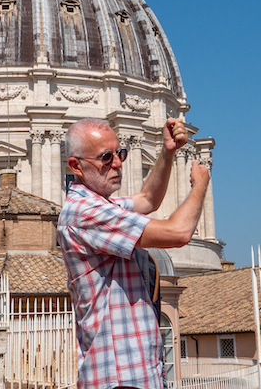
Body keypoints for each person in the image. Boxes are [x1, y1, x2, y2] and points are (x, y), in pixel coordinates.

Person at [57, 117, 210, 389]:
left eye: (120, 153)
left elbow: (148, 199)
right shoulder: (86, 213)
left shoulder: (100, 206)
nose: (117, 163)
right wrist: (200, 185)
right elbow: (179, 233)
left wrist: (167, 152)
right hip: (120, 379)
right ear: (76, 166)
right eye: (106, 157)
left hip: (131, 375)